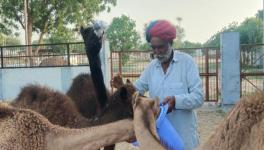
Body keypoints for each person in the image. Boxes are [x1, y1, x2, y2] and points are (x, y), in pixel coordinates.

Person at [134, 20, 204, 150]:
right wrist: (124, 89)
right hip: (160, 139)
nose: (157, 52)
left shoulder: (187, 63)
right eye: (153, 48)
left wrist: (176, 101)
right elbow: (136, 90)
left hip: (184, 138)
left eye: (160, 47)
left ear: (170, 43)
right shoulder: (151, 68)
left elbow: (199, 97)